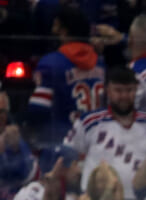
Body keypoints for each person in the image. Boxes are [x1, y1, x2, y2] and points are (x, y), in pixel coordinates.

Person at [64, 66, 146, 200]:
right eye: (118, 90)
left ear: (136, 90)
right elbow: (68, 153)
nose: (124, 96)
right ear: (108, 91)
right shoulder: (89, 122)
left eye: (129, 90)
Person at [24, 6, 105, 146]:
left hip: (62, 142)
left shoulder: (50, 63)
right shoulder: (100, 62)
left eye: (56, 26)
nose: (52, 31)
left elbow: (38, 109)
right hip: (96, 141)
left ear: (64, 31)